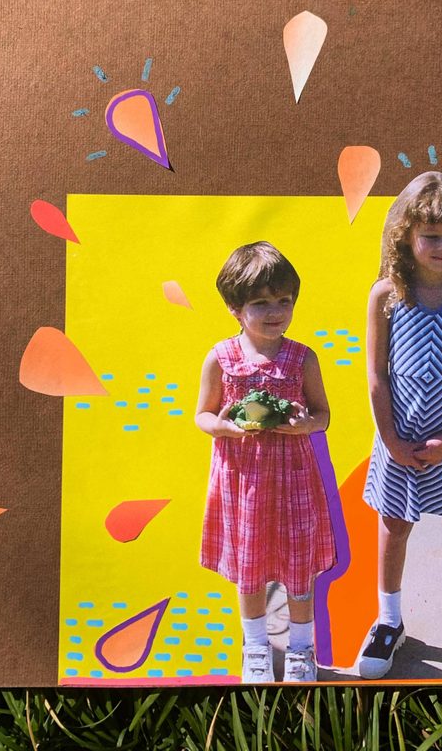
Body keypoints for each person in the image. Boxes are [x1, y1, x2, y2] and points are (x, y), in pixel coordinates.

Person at [358, 171, 442, 679]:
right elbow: (376, 376)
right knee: (394, 526)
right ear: (406, 234)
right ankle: (389, 621)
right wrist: (392, 440)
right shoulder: (386, 295)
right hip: (396, 439)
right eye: (432, 236)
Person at [196, 241, 336, 683]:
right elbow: (202, 415)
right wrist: (223, 427)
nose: (276, 312)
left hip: (294, 477)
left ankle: (301, 648)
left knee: (299, 567)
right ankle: (256, 646)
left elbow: (323, 414)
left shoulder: (302, 357)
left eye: (284, 301)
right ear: (235, 308)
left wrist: (305, 425)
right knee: (250, 568)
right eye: (261, 303)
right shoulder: (220, 358)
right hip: (243, 480)